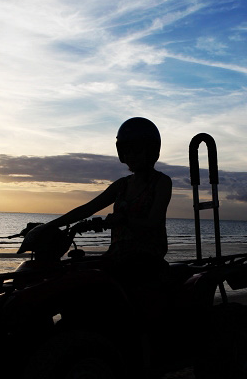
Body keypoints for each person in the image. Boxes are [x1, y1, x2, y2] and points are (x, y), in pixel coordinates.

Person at [27, 117, 172, 276]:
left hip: (146, 260)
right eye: (126, 150)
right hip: (117, 257)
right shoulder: (122, 185)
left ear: (150, 151)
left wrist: (123, 220)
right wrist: (49, 226)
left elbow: (154, 221)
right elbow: (88, 208)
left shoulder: (161, 182)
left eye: (136, 150)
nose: (130, 155)